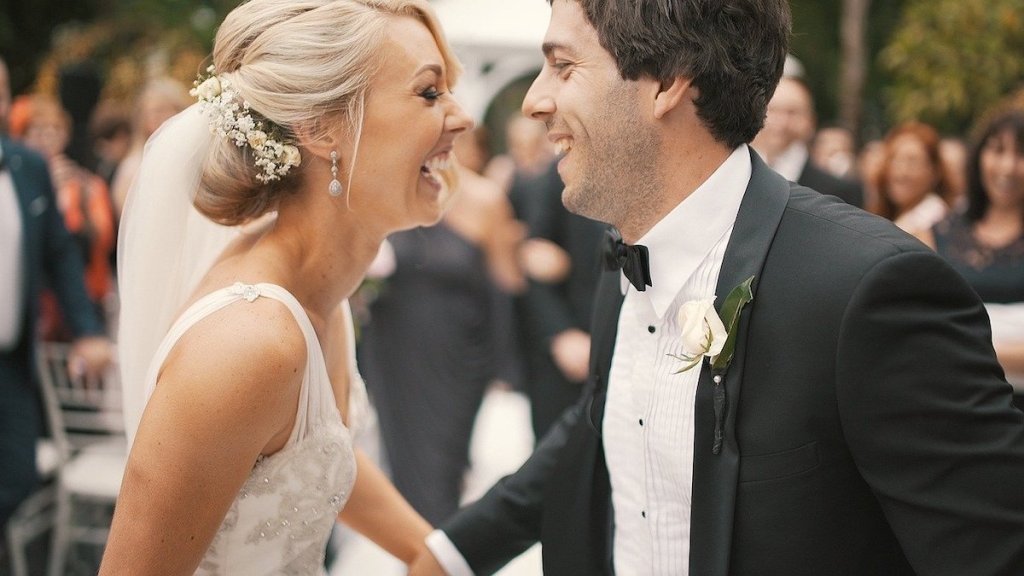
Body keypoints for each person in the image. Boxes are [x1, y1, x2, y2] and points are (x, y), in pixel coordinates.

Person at [409, 1, 1024, 575]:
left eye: (563, 67)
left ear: (668, 81)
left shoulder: (867, 290)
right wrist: (452, 552)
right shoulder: (622, 248)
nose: (534, 102)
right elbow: (606, 416)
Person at [97, 1, 473, 573]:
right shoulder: (250, 343)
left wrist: (437, 556)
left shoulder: (320, 300)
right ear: (322, 128)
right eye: (429, 92)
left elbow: (312, 460)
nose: (461, 117)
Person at [357, 134, 524, 526]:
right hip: (393, 354)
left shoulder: (485, 200)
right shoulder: (389, 194)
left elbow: (508, 286)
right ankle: (418, 556)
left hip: (460, 358)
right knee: (403, 468)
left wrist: (507, 364)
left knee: (444, 469)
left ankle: (434, 555)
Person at [0, 55, 112, 538]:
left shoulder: (27, 166)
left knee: (20, 480)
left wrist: (87, 331)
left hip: (11, 363)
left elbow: (60, 255)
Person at [918, 103, 1024, 413]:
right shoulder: (938, 233)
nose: (1007, 167)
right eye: (997, 150)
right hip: (954, 409)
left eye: (1020, 153)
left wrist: (964, 347)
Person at [14, 94, 115, 336]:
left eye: (55, 129)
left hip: (83, 299)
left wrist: (71, 202)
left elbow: (103, 239)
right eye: (37, 130)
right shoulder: (13, 184)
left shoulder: (89, 185)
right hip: (33, 304)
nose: (47, 137)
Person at [752, 73, 864, 208]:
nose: (781, 123)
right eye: (772, 110)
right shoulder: (738, 178)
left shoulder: (839, 192)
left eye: (792, 112)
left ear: (810, 121)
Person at [109, 77, 190, 220]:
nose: (160, 117)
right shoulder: (132, 167)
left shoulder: (189, 157)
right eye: (155, 111)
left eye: (166, 109)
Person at [868, 121, 956, 236]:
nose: (901, 172)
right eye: (894, 160)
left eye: (912, 162)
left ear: (935, 172)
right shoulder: (888, 215)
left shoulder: (933, 220)